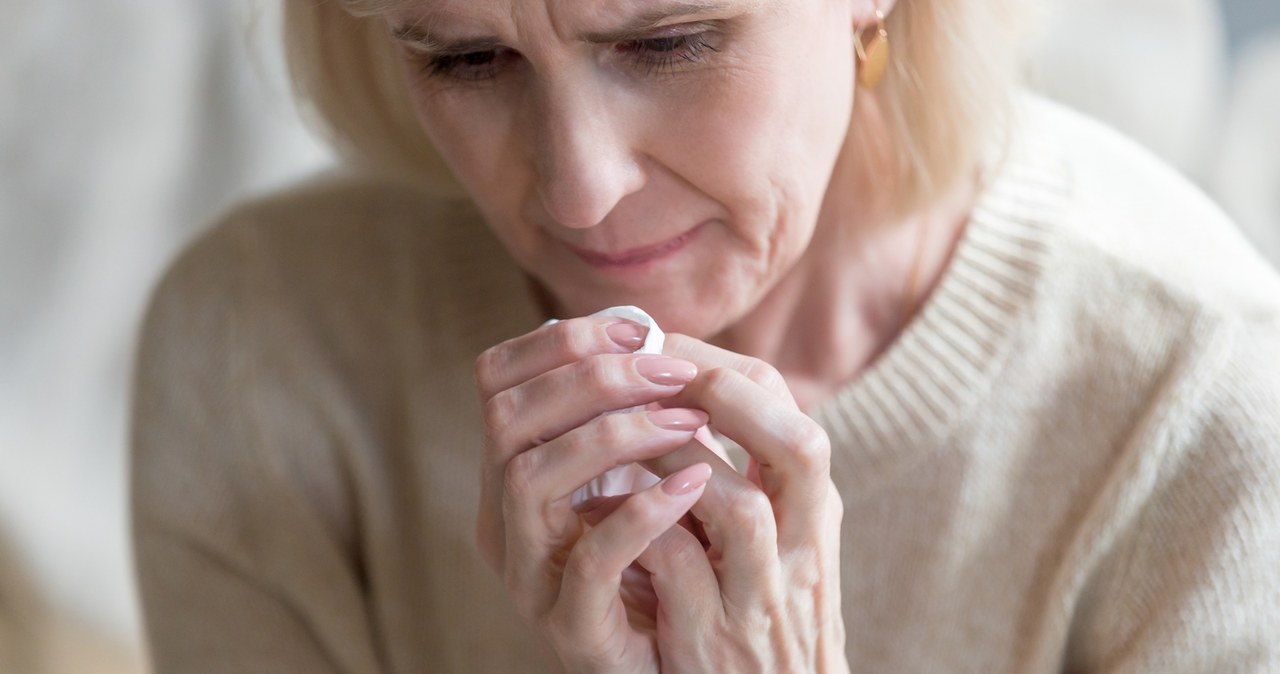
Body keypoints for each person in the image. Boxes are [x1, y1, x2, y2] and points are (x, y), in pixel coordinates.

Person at [130, 0, 1280, 671]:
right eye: (466, 59)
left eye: (667, 40)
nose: (578, 189)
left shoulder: (1195, 404)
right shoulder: (262, 348)